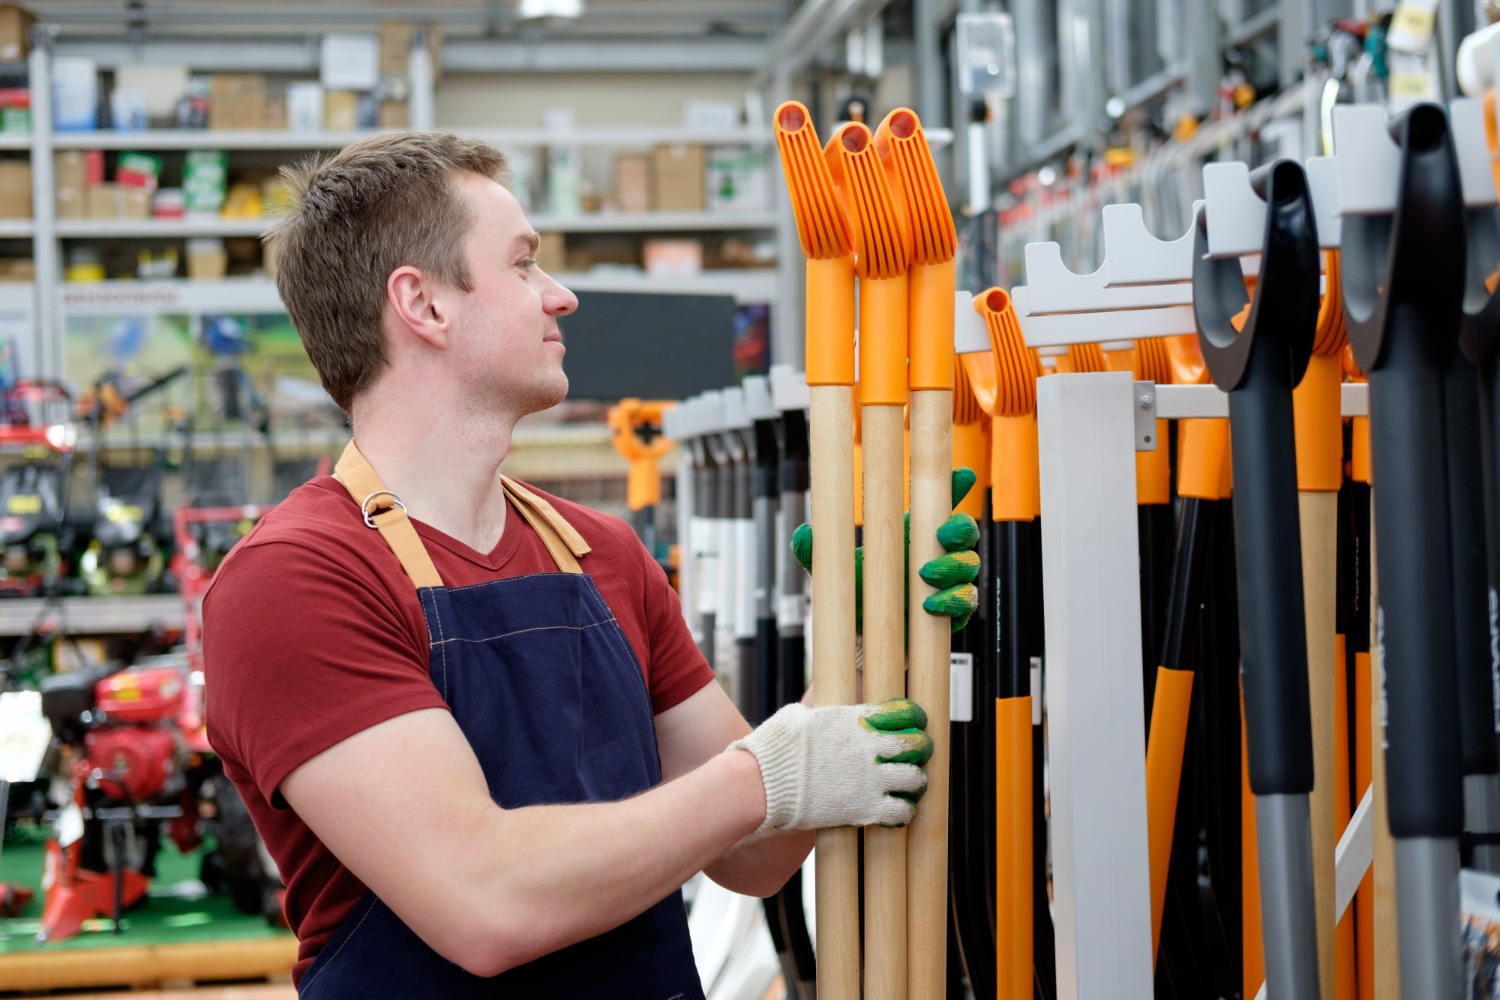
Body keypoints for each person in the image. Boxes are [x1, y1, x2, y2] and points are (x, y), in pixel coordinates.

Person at [203, 130, 973, 998]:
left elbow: (754, 857)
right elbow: (485, 901)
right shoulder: (295, 581)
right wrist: (768, 773)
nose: (560, 297)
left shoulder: (600, 552)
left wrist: (864, 657)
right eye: (524, 264)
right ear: (422, 305)